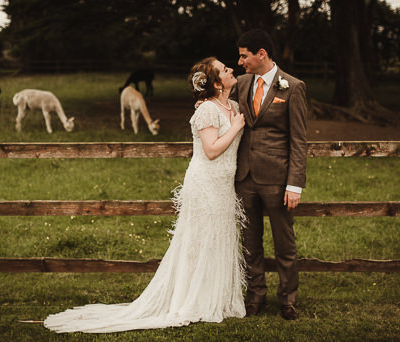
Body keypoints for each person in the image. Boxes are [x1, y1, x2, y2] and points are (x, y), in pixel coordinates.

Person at [44, 57, 246, 333]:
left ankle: (216, 296)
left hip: (224, 184)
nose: (231, 69)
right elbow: (211, 151)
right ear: (214, 82)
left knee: (218, 237)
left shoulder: (232, 105)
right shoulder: (207, 110)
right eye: (225, 70)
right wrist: (235, 127)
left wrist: (235, 121)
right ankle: (191, 299)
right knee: (199, 240)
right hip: (206, 183)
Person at [230, 29, 307, 321]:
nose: (240, 61)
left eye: (244, 55)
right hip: (245, 177)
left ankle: (287, 300)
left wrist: (295, 184)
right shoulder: (241, 83)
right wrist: (203, 104)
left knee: (284, 242)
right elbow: (221, 104)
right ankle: (255, 297)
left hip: (277, 179)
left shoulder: (293, 87)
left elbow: (299, 140)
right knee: (250, 242)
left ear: (261, 54)